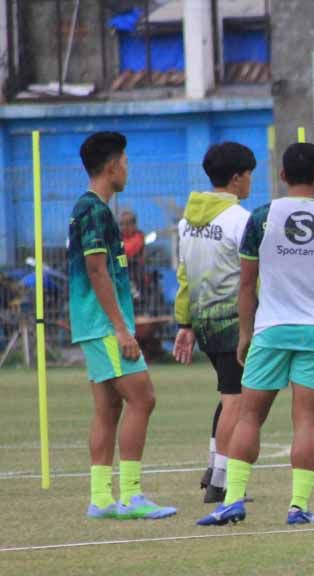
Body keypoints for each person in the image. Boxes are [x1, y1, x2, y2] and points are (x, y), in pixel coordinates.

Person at [197, 142, 314, 526]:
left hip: (270, 330)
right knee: (306, 423)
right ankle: (298, 506)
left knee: (250, 417)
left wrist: (244, 333)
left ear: (283, 175)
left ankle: (233, 500)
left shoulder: (261, 216)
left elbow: (246, 284)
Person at [69, 131, 176, 520]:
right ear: (112, 165)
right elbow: (97, 270)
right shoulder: (95, 210)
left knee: (108, 407)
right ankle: (131, 496)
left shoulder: (91, 208)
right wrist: (121, 328)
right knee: (143, 398)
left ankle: (100, 498)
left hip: (96, 324)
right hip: (103, 325)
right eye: (126, 162)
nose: (128, 168)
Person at [173, 142, 257, 503]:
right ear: (237, 178)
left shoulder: (186, 221)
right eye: (250, 174)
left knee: (228, 396)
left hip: (203, 322)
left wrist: (185, 324)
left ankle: (213, 467)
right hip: (233, 323)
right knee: (237, 401)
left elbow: (184, 274)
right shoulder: (241, 220)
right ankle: (220, 483)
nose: (252, 181)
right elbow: (252, 277)